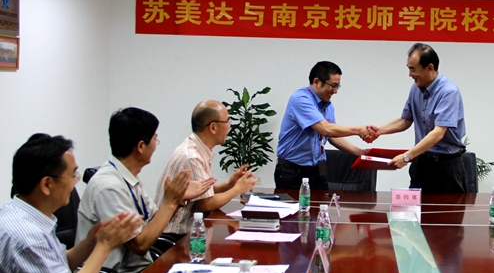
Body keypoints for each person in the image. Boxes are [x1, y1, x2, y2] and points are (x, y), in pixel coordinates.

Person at [0, 134, 141, 273]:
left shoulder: (21, 213)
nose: (75, 182)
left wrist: (91, 242)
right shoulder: (26, 235)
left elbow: (55, 265)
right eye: (73, 175)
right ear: (47, 184)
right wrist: (104, 247)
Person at [77, 108, 214, 273]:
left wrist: (178, 199)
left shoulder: (128, 178)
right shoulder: (109, 187)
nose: (156, 144)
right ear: (141, 146)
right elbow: (140, 245)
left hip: (135, 272)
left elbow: (154, 221)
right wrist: (170, 202)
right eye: (155, 138)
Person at [372, 43, 467, 193]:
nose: (410, 74)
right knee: (414, 206)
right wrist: (379, 130)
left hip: (447, 165)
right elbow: (405, 120)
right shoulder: (415, 88)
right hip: (422, 163)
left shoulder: (448, 91)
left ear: (430, 68)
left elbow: (438, 133)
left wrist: (406, 157)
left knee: (449, 208)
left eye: (413, 69)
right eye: (409, 69)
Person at [155, 100, 257, 238]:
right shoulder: (192, 157)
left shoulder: (196, 149)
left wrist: (229, 185)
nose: (229, 127)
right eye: (227, 121)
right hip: (174, 236)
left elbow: (201, 193)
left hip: (187, 231)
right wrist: (237, 189)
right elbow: (206, 204)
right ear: (213, 127)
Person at [275, 61, 376, 190]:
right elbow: (325, 129)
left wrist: (360, 152)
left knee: (324, 203)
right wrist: (359, 130)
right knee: (293, 204)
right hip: (292, 172)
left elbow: (332, 135)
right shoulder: (300, 99)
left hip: (318, 171)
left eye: (338, 86)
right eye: (333, 86)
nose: (335, 91)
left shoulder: (327, 105)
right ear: (316, 82)